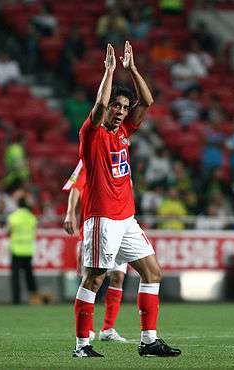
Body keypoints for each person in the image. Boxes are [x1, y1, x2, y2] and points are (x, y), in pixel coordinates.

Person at [73, 41, 181, 358]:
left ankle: (148, 342)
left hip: (126, 219)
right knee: (94, 279)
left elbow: (147, 100)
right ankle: (82, 346)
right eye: (115, 106)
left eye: (123, 107)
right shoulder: (92, 134)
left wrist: (132, 69)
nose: (120, 111)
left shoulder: (124, 133)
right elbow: (96, 108)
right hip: (102, 217)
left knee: (152, 272)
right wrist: (109, 71)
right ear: (105, 109)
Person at [63, 160, 127, 342]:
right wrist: (70, 213)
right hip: (95, 228)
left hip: (120, 227)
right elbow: (76, 187)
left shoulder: (122, 159)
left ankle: (107, 329)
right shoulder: (90, 159)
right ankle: (88, 328)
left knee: (118, 276)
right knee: (91, 278)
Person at [7, 197, 39, 304]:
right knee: (29, 276)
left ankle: (16, 299)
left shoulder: (12, 217)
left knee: (15, 276)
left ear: (17, 204)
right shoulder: (32, 218)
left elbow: (8, 231)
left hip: (16, 250)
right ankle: (34, 299)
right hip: (28, 250)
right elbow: (34, 230)